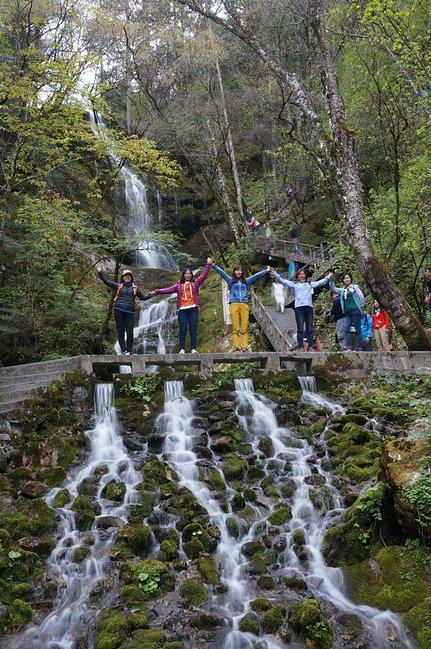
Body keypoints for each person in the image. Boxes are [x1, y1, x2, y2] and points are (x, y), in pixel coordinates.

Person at [150, 259, 212, 354]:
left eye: (189, 273)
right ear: (183, 275)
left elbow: (203, 275)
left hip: (193, 309)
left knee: (193, 329)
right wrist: (157, 291)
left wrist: (208, 265)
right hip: (182, 310)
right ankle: (182, 349)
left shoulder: (195, 283)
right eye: (186, 273)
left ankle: (193, 349)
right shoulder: (178, 285)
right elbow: (168, 290)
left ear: (192, 275)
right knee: (183, 329)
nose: (188, 275)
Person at [270, 267, 332, 351]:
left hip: (309, 308)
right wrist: (275, 275)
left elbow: (320, 283)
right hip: (299, 308)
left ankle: (311, 346)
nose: (301, 275)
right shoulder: (294, 284)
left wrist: (328, 277)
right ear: (297, 276)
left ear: (305, 275)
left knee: (310, 328)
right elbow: (283, 281)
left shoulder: (310, 284)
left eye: (303, 274)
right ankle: (300, 347)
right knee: (300, 328)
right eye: (300, 274)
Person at [213, 263, 269, 351]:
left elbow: (256, 276)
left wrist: (266, 270)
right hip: (234, 304)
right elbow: (222, 273)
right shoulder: (230, 280)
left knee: (245, 325)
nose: (238, 272)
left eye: (240, 270)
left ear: (242, 272)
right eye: (236, 270)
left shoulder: (246, 281)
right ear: (234, 271)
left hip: (244, 304)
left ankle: (244, 346)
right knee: (235, 325)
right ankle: (237, 346)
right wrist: (214, 265)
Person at [96, 267, 150, 355]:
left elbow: (143, 298)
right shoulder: (119, 286)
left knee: (130, 333)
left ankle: (129, 351)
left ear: (131, 277)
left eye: (129, 276)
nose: (127, 277)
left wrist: (152, 294)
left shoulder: (135, 288)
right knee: (121, 332)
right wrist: (100, 272)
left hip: (130, 312)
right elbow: (107, 282)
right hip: (119, 310)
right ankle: (124, 351)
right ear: (123, 277)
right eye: (125, 275)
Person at [329, 273, 365, 350]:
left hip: (355, 310)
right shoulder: (343, 290)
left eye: (348, 278)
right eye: (345, 278)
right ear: (343, 280)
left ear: (351, 279)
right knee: (347, 328)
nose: (346, 279)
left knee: (357, 328)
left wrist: (361, 307)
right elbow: (333, 289)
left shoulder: (354, 287)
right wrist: (331, 280)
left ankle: (359, 347)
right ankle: (348, 347)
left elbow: (361, 297)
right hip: (347, 312)